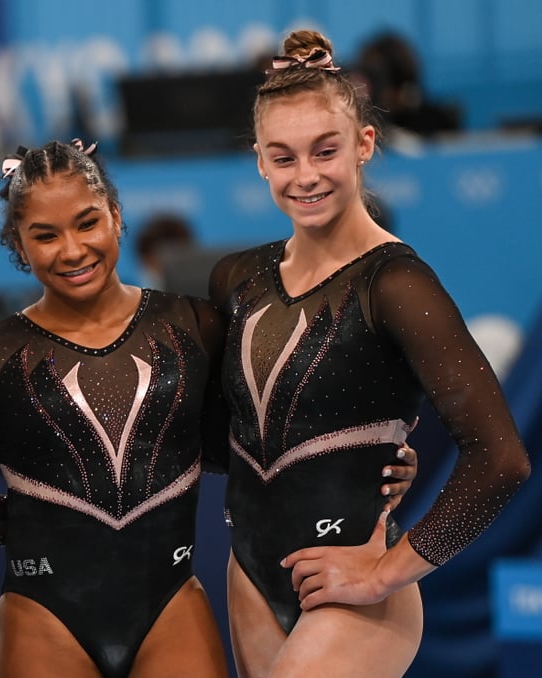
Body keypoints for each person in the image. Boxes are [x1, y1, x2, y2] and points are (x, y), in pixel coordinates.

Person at [0, 139, 418, 677]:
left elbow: (250, 448)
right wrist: (49, 521)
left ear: (116, 217)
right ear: (18, 244)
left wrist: (371, 464)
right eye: (45, 236)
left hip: (170, 607)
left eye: (86, 223)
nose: (72, 250)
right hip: (43, 616)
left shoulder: (194, 326)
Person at [208, 29, 531, 677]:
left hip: (355, 593)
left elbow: (502, 459)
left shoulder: (396, 284)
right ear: (260, 162)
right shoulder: (234, 279)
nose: (306, 176)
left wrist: (389, 569)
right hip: (248, 576)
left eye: (325, 151)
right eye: (284, 156)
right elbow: (224, 439)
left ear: (363, 145)